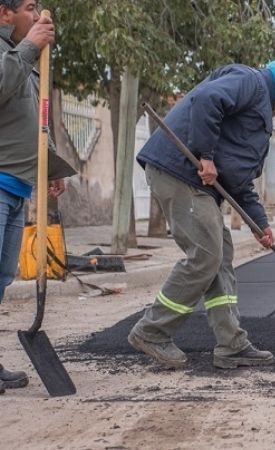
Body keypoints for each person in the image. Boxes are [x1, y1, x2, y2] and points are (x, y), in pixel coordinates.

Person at [128, 52, 275, 370]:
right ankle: (152, 331)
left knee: (220, 256)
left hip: (194, 181)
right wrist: (206, 155)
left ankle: (231, 343)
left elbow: (239, 182)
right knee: (205, 255)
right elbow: (207, 98)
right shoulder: (251, 82)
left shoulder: (256, 123)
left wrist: (259, 224)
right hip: (179, 170)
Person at [1, 0, 75, 393]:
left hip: (17, 188)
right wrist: (28, 46)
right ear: (4, 14)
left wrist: (50, 168)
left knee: (1, 278)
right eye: (30, 7)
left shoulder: (26, 62)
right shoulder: (12, 54)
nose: (39, 14)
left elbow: (34, 122)